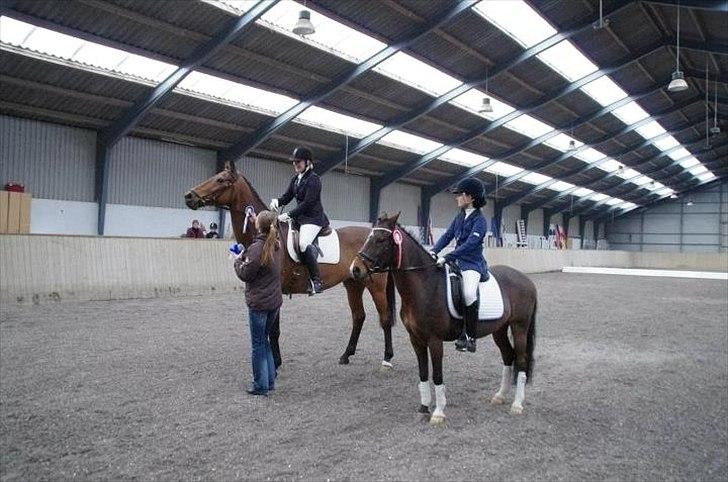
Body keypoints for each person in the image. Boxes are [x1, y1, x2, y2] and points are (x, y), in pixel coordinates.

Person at [429, 177, 488, 354]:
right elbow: (447, 236)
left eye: (459, 195)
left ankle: (471, 335)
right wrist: (433, 251)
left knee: (469, 293)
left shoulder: (480, 220)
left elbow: (470, 244)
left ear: (470, 197)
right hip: (456, 262)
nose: (456, 198)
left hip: (472, 264)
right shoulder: (460, 216)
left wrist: (447, 257)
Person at [234, 210, 282, 396]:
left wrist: (237, 261)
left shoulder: (257, 248)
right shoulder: (276, 245)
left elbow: (246, 273)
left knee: (257, 345)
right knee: (265, 341)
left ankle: (260, 384)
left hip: (259, 303)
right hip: (274, 302)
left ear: (258, 226)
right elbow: (262, 241)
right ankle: (269, 381)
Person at [269, 146, 329, 295]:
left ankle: (316, 281)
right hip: (300, 218)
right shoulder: (296, 179)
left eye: (298, 162)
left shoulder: (314, 179)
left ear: (307, 162)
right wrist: (278, 201)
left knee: (303, 244)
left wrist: (288, 214)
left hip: (313, 219)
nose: (295, 164)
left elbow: (307, 203)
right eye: (294, 162)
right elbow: (287, 197)